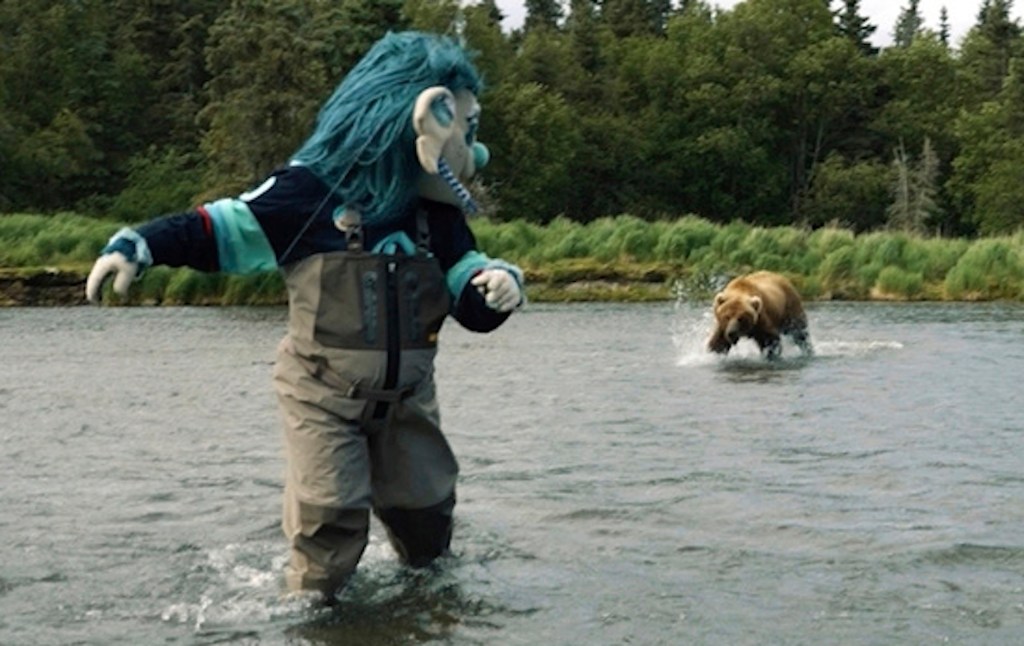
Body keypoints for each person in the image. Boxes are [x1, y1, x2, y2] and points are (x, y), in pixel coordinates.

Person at [85, 31, 524, 601]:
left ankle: (427, 608)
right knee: (331, 517)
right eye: (467, 129)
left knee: (427, 516)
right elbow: (222, 228)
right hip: (321, 395)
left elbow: (468, 285)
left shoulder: (435, 212)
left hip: (409, 398)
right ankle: (311, 612)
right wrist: (140, 245)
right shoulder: (308, 193)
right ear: (420, 116)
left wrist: (495, 286)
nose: (475, 150)